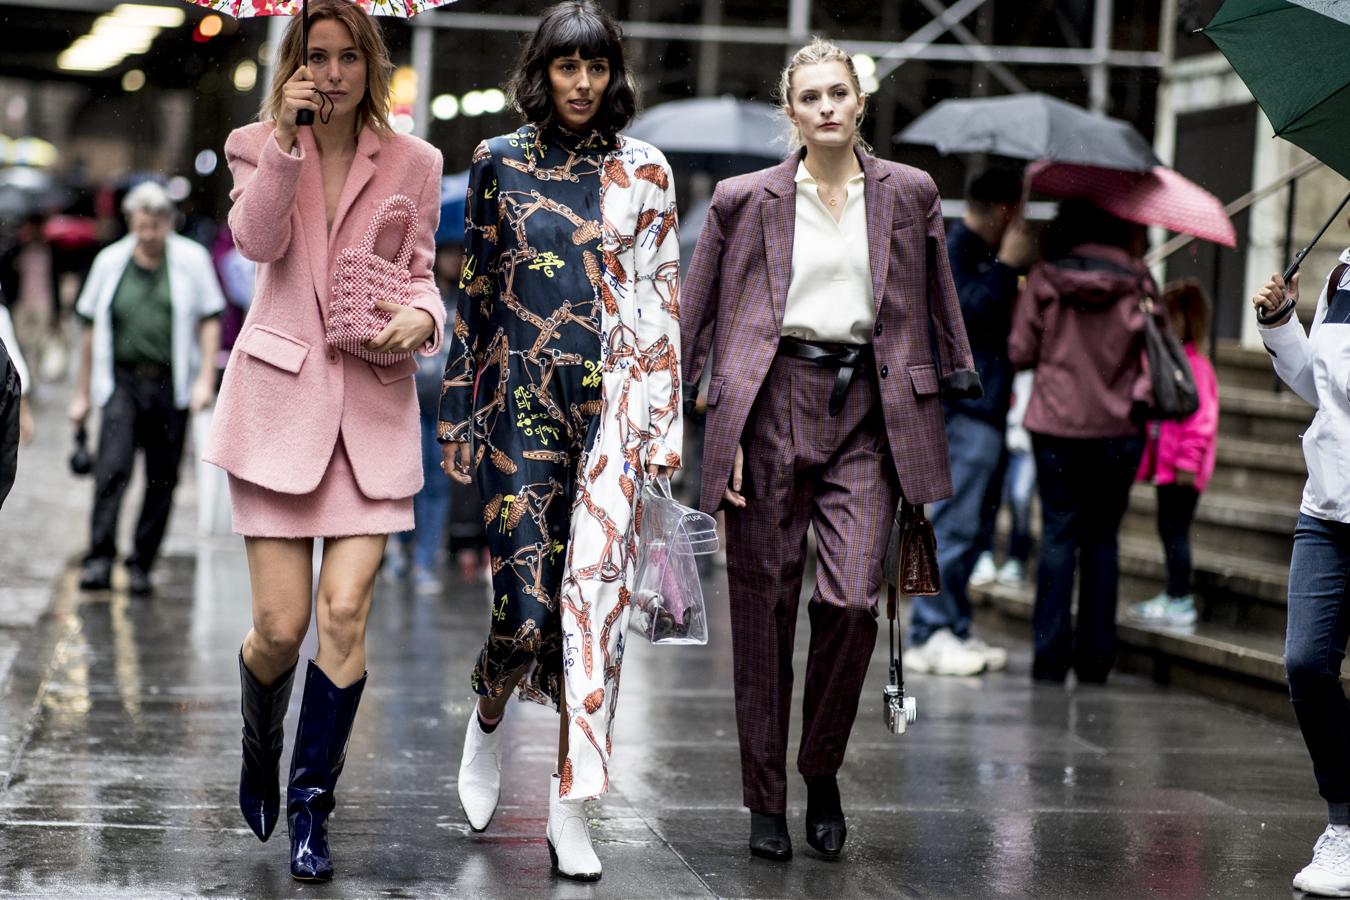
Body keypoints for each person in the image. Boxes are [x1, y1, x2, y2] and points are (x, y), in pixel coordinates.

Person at [682, 37, 977, 862]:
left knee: (852, 603)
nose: (825, 108)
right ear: (791, 111)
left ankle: (820, 766)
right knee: (763, 609)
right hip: (773, 401)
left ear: (859, 102)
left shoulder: (910, 192)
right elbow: (695, 316)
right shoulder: (745, 199)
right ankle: (765, 800)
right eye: (809, 96)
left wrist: (949, 382)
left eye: (838, 93)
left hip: (870, 411)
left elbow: (936, 298)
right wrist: (714, 429)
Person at [438, 1, 681, 881]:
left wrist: (662, 434)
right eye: (566, 67)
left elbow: (663, 303)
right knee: (526, 612)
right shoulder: (497, 163)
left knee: (597, 616)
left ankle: (570, 806)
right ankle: (490, 710)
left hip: (615, 413)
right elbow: (477, 295)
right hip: (518, 409)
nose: (582, 85)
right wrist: (458, 411)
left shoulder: (644, 170)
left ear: (615, 75)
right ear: (540, 71)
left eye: (598, 68)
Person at [204, 0, 445, 881]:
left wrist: (422, 316)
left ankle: (311, 807)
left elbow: (420, 274)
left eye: (349, 57)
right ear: (295, 63)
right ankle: (259, 745)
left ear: (371, 63)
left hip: (373, 411)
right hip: (278, 407)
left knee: (344, 614)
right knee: (280, 627)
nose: (335, 73)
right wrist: (285, 143)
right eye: (318, 56)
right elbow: (255, 241)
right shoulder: (253, 142)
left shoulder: (415, 161)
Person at [1007, 200, 1158, 684]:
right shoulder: (1138, 279)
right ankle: (1095, 660)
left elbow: (1020, 351)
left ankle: (1049, 659)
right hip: (1118, 430)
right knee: (1102, 541)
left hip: (1055, 426)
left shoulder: (1046, 277)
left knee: (1056, 536)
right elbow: (1154, 353)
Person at [906, 168, 1033, 676]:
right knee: (954, 526)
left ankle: (952, 625)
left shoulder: (974, 253)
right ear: (1004, 210)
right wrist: (1006, 268)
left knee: (975, 527)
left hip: (984, 409)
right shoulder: (954, 248)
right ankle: (929, 629)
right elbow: (960, 318)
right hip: (963, 410)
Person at [69, 182, 224, 595]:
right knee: (112, 469)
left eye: (156, 226)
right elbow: (88, 330)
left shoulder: (191, 260)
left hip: (170, 383)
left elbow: (209, 319)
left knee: (162, 478)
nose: (149, 235)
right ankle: (100, 558)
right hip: (120, 380)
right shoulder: (110, 261)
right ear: (130, 222)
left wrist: (205, 380)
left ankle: (141, 562)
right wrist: (82, 394)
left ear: (168, 223)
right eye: (142, 226)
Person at [1253, 254, 1350, 897]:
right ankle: (1344, 823)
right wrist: (1284, 325)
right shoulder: (1346, 271)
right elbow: (1321, 386)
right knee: (1307, 664)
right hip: (1329, 506)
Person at [1127, 280, 1219, 628]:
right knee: (1168, 529)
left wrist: (1185, 462)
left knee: (1175, 530)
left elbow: (1202, 422)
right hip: (1167, 468)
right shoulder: (1176, 363)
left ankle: (1180, 598)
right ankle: (1174, 594)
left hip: (1182, 471)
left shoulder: (1196, 367)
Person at [387, 241, 459, 595]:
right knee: (405, 481)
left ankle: (425, 559)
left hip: (446, 410)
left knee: (437, 484)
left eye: (460, 252)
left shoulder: (467, 300)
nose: (454, 258)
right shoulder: (412, 293)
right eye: (449, 251)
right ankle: (401, 548)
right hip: (407, 402)